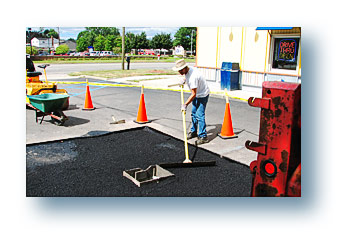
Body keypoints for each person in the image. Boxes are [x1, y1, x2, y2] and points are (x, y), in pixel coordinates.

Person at [172, 59, 210, 145]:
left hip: (202, 95)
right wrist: (184, 80)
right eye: (179, 70)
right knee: (193, 113)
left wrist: (185, 104)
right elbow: (187, 77)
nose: (180, 72)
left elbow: (193, 94)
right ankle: (194, 132)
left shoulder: (194, 77)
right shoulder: (188, 71)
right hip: (197, 94)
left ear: (185, 68)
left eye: (181, 70)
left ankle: (203, 136)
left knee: (200, 115)